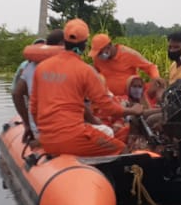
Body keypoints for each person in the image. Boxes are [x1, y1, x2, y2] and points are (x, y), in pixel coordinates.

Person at [30, 19, 143, 157]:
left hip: (46, 139)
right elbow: (108, 107)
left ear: (64, 41)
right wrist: (132, 110)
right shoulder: (85, 70)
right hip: (74, 137)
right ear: (85, 45)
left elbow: (34, 107)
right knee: (121, 148)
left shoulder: (42, 67)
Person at [12, 30, 64, 142]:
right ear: (61, 45)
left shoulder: (29, 66)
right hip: (62, 132)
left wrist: (27, 124)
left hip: (38, 131)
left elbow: (16, 94)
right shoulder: (68, 65)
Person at [89, 33, 160, 97]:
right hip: (108, 98)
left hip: (129, 98)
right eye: (98, 53)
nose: (99, 55)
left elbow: (151, 67)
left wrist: (155, 79)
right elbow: (96, 72)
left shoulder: (128, 54)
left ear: (108, 47)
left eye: (100, 52)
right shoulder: (98, 58)